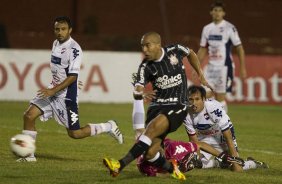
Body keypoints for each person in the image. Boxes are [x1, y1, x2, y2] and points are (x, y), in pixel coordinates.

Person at [103, 31, 211, 181]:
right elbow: (138, 88)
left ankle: (119, 165)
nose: (144, 50)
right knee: (150, 153)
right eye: (142, 47)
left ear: (158, 45)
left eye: (147, 46)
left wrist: (200, 73)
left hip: (177, 105)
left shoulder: (175, 51)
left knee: (151, 130)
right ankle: (172, 169)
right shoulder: (145, 67)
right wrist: (140, 94)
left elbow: (191, 53)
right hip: (157, 107)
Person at [16, 16, 123, 162]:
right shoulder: (55, 43)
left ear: (70, 30)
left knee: (75, 134)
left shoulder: (74, 50)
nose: (60, 32)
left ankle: (108, 126)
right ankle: (28, 156)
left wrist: (57, 89)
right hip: (53, 90)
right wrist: (54, 89)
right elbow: (63, 71)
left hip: (66, 96)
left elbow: (72, 75)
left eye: (63, 29)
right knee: (29, 115)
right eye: (57, 29)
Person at [184, 85, 268, 171]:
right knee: (195, 163)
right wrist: (196, 159)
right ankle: (217, 163)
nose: (194, 103)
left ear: (203, 99)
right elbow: (194, 143)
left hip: (221, 136)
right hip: (204, 137)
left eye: (197, 99)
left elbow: (228, 138)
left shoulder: (213, 108)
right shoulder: (185, 114)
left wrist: (233, 159)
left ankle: (252, 163)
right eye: (191, 99)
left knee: (237, 169)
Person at [197, 1, 247, 112]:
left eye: (220, 11)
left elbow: (239, 48)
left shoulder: (230, 28)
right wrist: (195, 66)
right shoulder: (207, 29)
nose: (217, 13)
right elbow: (203, 48)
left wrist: (243, 68)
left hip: (224, 67)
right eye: (215, 10)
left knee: (220, 98)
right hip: (210, 68)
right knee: (204, 95)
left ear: (223, 13)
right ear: (211, 12)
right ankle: (210, 123)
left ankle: (224, 124)